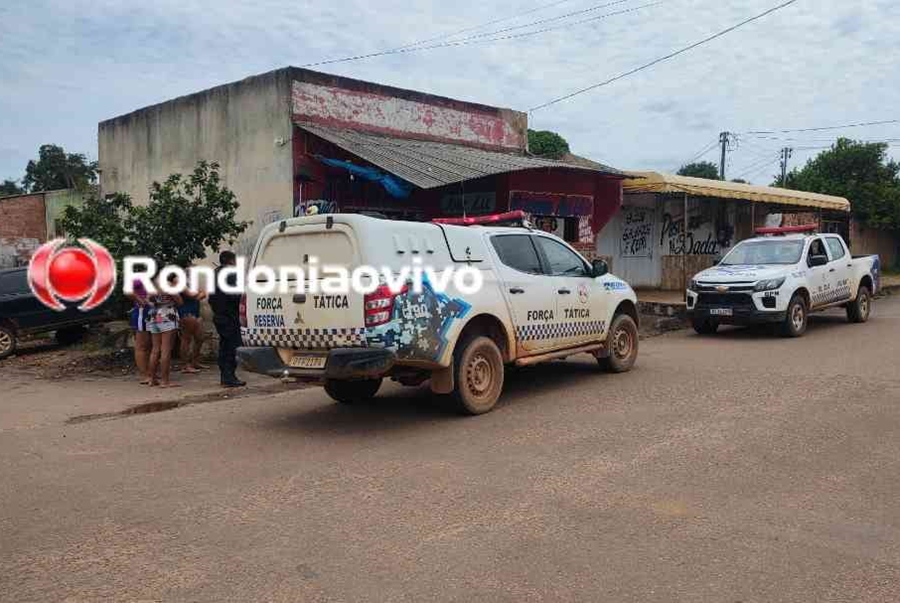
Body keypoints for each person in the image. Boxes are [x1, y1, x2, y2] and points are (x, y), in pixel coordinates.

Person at [208, 250, 246, 387]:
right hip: (230, 316)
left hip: (219, 315)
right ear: (231, 261)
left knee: (224, 346)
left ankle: (225, 375)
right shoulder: (231, 274)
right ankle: (229, 377)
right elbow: (236, 296)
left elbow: (210, 297)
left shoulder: (214, 274)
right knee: (232, 346)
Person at [146, 274, 182, 388]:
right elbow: (180, 301)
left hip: (155, 316)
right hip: (168, 317)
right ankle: (164, 381)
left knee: (155, 349)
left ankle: (152, 379)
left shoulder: (153, 287)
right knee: (166, 349)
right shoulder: (169, 286)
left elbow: (148, 301)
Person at [178, 280, 208, 374]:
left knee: (200, 337)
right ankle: (185, 365)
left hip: (195, 311)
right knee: (186, 339)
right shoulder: (180, 284)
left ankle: (195, 361)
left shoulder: (192, 283)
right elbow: (194, 295)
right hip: (186, 312)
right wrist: (198, 294)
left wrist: (199, 294)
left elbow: (203, 294)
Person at [127, 280, 152, 385]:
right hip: (142, 312)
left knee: (150, 344)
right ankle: (144, 374)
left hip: (153, 311)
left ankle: (150, 371)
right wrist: (140, 300)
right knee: (142, 345)